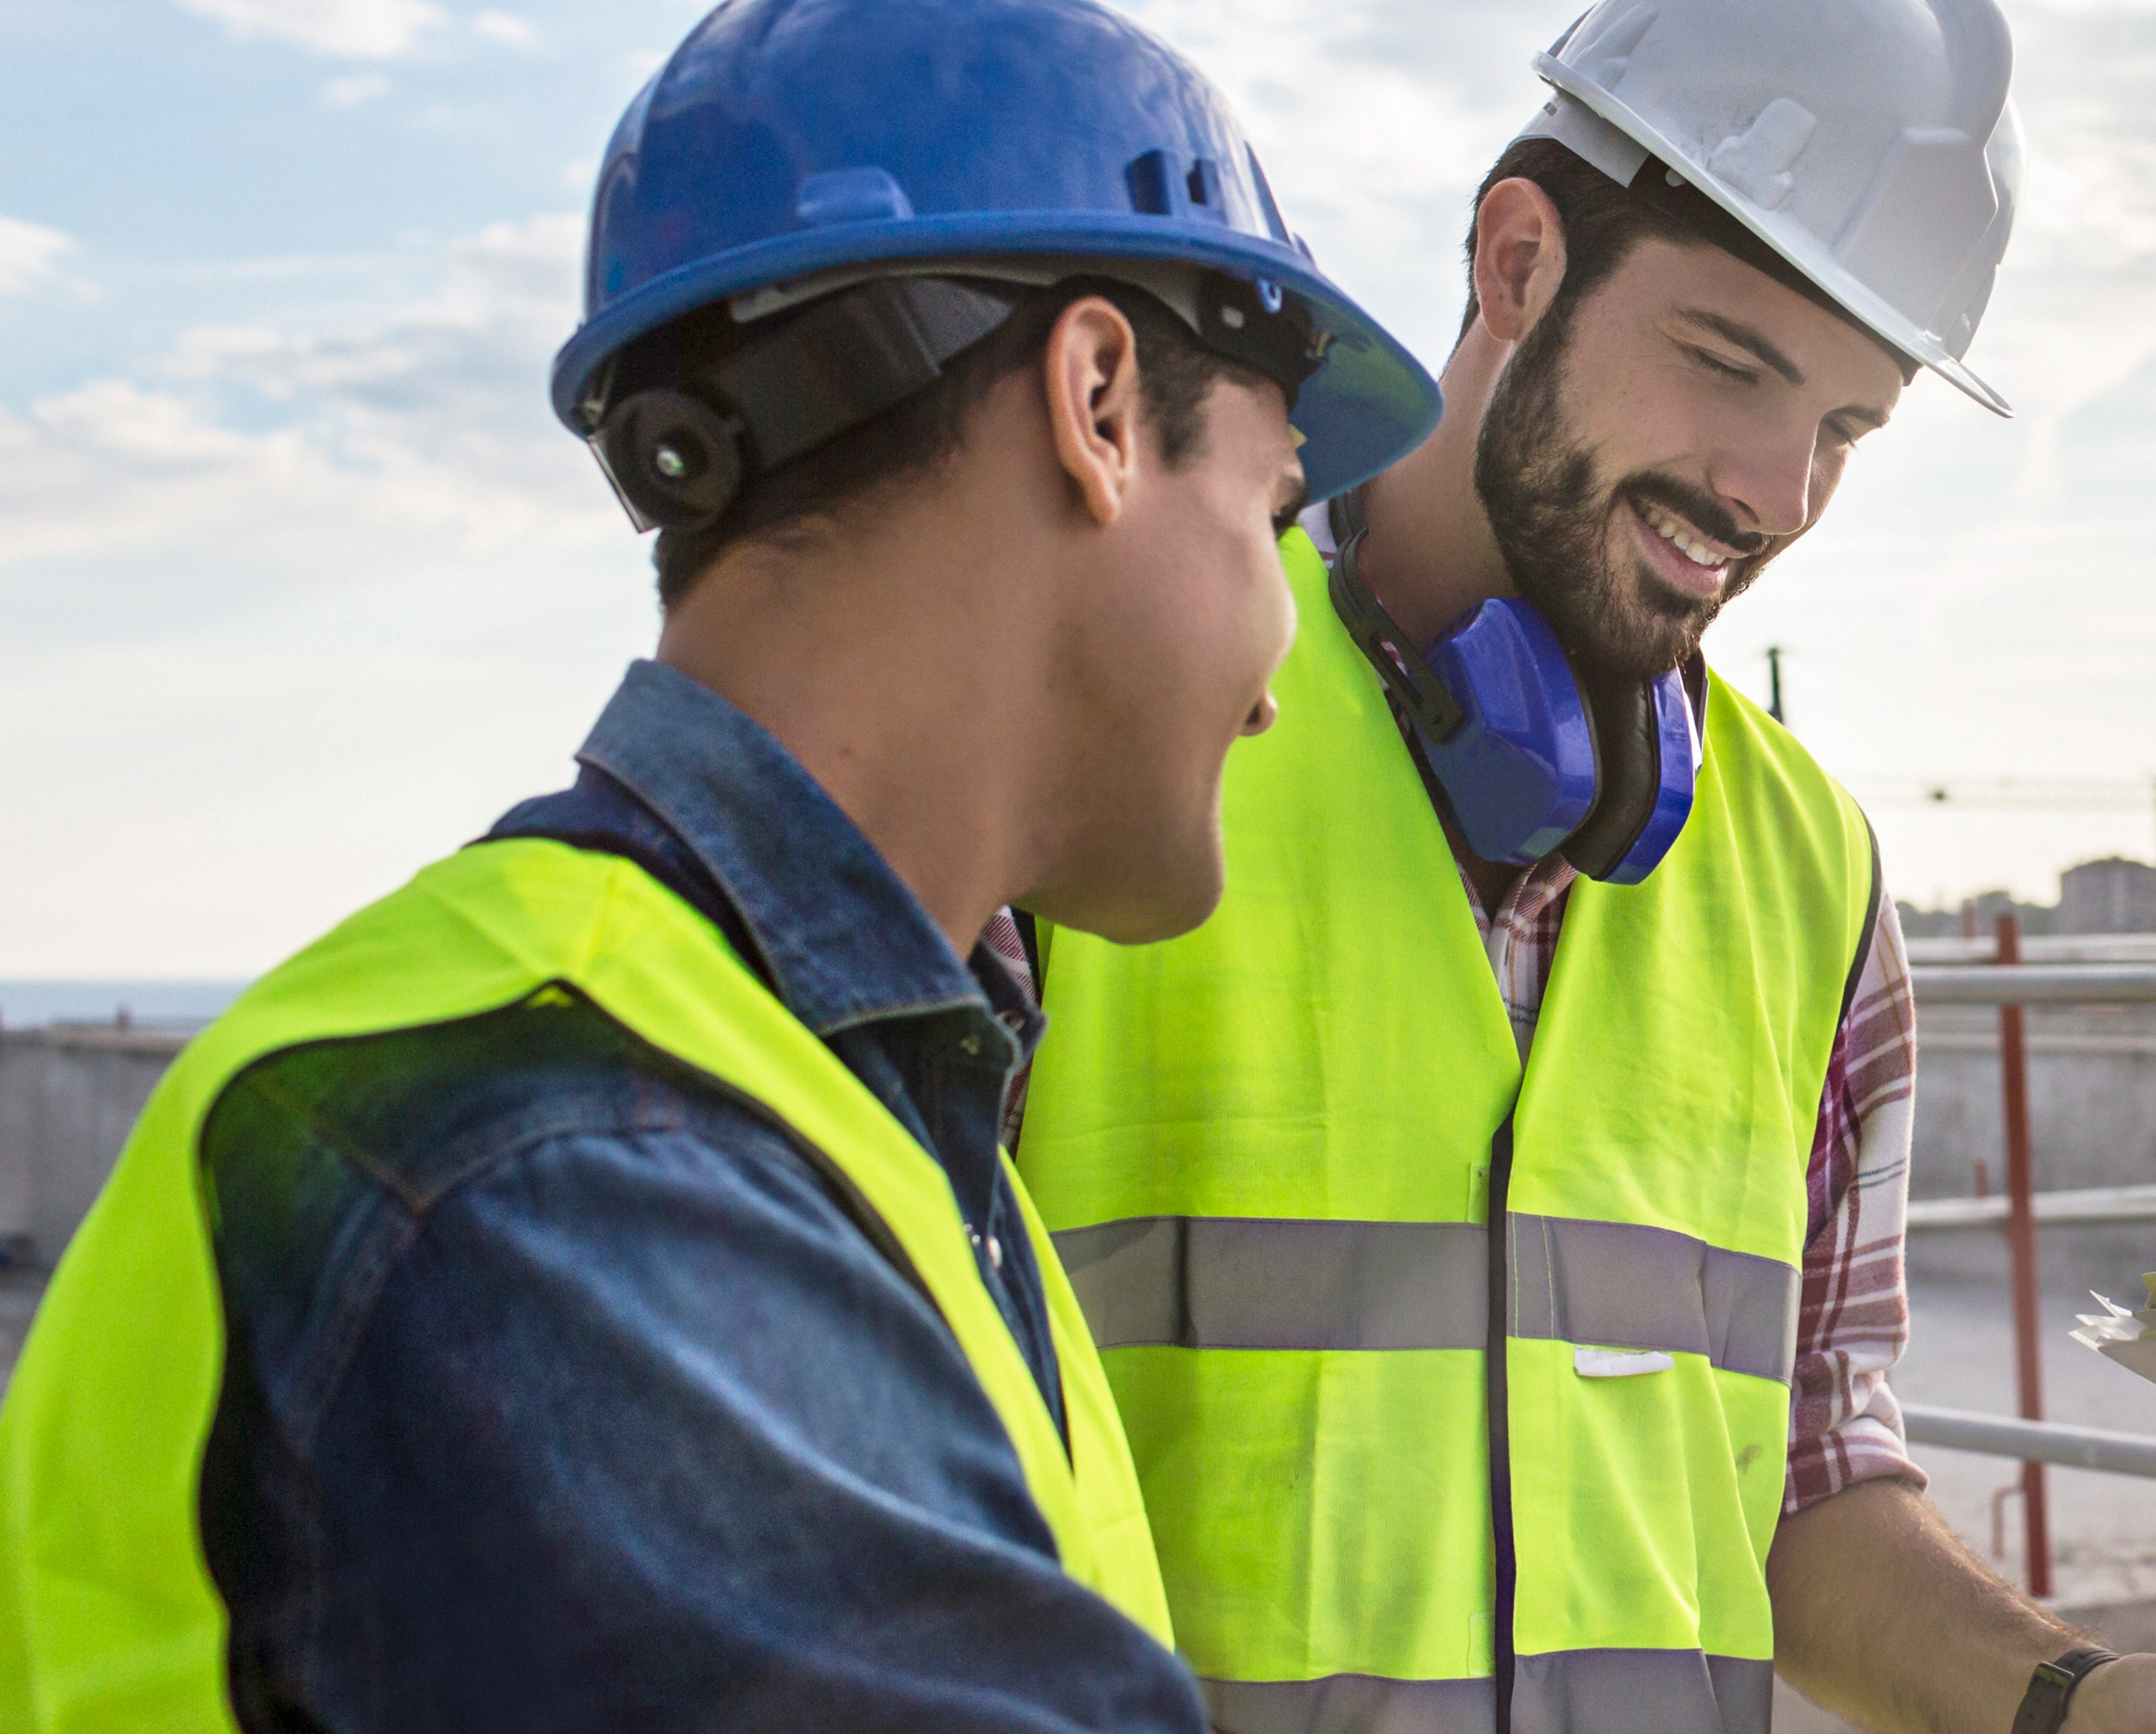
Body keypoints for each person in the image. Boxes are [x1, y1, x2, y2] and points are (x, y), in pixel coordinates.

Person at [0, 4, 1440, 1729]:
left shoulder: (835, 1107)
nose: (1286, 669)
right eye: (1274, 514)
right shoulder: (559, 1169)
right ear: (1102, 404)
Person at [1007, 3, 2156, 1730]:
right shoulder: (1103, 737)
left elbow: (1802, 1483)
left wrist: (2062, 1698)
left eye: (1847, 429)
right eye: (1729, 364)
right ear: (1514, 258)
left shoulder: (1809, 876)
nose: (1774, 492)